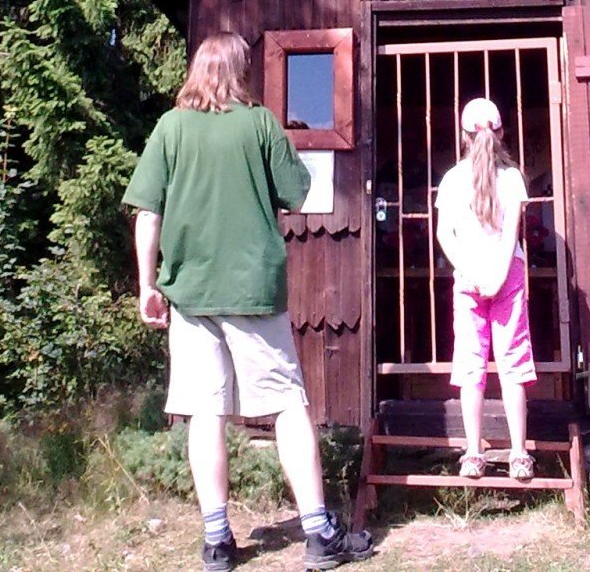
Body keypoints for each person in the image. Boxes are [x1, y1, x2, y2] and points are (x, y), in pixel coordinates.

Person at [123, 32, 374, 571]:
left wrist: (147, 285)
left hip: (189, 293)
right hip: (254, 291)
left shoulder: (170, 129)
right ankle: (318, 534)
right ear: (241, 72)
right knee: (285, 404)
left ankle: (217, 541)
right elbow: (297, 192)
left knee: (205, 410)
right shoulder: (260, 123)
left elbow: (147, 213)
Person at [434, 96, 537, 481]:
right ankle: (519, 453)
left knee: (471, 363)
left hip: (470, 277)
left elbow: (445, 234)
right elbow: (512, 234)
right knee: (512, 362)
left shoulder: (451, 179)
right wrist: (495, 276)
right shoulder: (512, 178)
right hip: (505, 274)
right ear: (501, 133)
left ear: (463, 135)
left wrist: (472, 272)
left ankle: (473, 453)